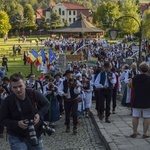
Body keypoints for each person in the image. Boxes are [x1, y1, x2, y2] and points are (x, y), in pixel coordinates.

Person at [0, 73, 50, 150]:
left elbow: (46, 104)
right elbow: (2, 119)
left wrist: (39, 114)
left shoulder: (33, 93)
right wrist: (17, 123)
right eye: (15, 87)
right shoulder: (7, 101)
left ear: (25, 84)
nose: (18, 90)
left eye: (20, 86)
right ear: (11, 88)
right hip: (16, 135)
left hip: (35, 132)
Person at [130, 62, 150, 138]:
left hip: (137, 98)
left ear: (139, 69)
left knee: (135, 115)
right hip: (147, 99)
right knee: (147, 117)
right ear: (147, 69)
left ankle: (134, 132)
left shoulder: (135, 78)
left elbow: (132, 87)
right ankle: (145, 133)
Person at [58, 70, 81, 134]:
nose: (69, 76)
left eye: (70, 74)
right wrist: (63, 93)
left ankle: (75, 127)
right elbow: (59, 90)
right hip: (67, 100)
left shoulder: (76, 82)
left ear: (72, 75)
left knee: (74, 113)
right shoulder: (64, 82)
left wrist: (76, 87)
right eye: (67, 75)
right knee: (67, 114)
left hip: (74, 100)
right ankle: (68, 126)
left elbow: (78, 92)